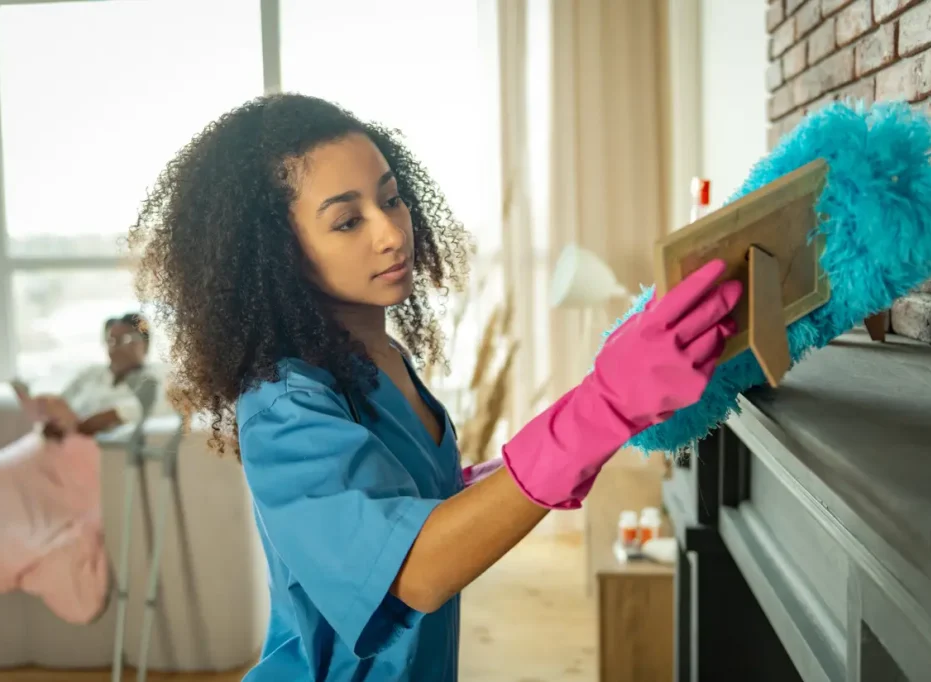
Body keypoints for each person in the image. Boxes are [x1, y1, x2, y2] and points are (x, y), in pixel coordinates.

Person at [128, 93, 741, 681]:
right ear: (274, 255)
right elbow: (415, 570)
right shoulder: (285, 407)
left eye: (391, 199)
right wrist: (601, 407)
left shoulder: (377, 356)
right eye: (347, 221)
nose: (392, 232)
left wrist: (590, 418)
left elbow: (420, 493)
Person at [0, 312, 159, 624]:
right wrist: (51, 421)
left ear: (145, 343)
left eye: (127, 340)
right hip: (47, 448)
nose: (117, 348)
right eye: (111, 340)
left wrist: (80, 424)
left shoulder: (151, 380)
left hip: (84, 461)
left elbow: (126, 413)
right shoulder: (91, 375)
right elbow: (61, 405)